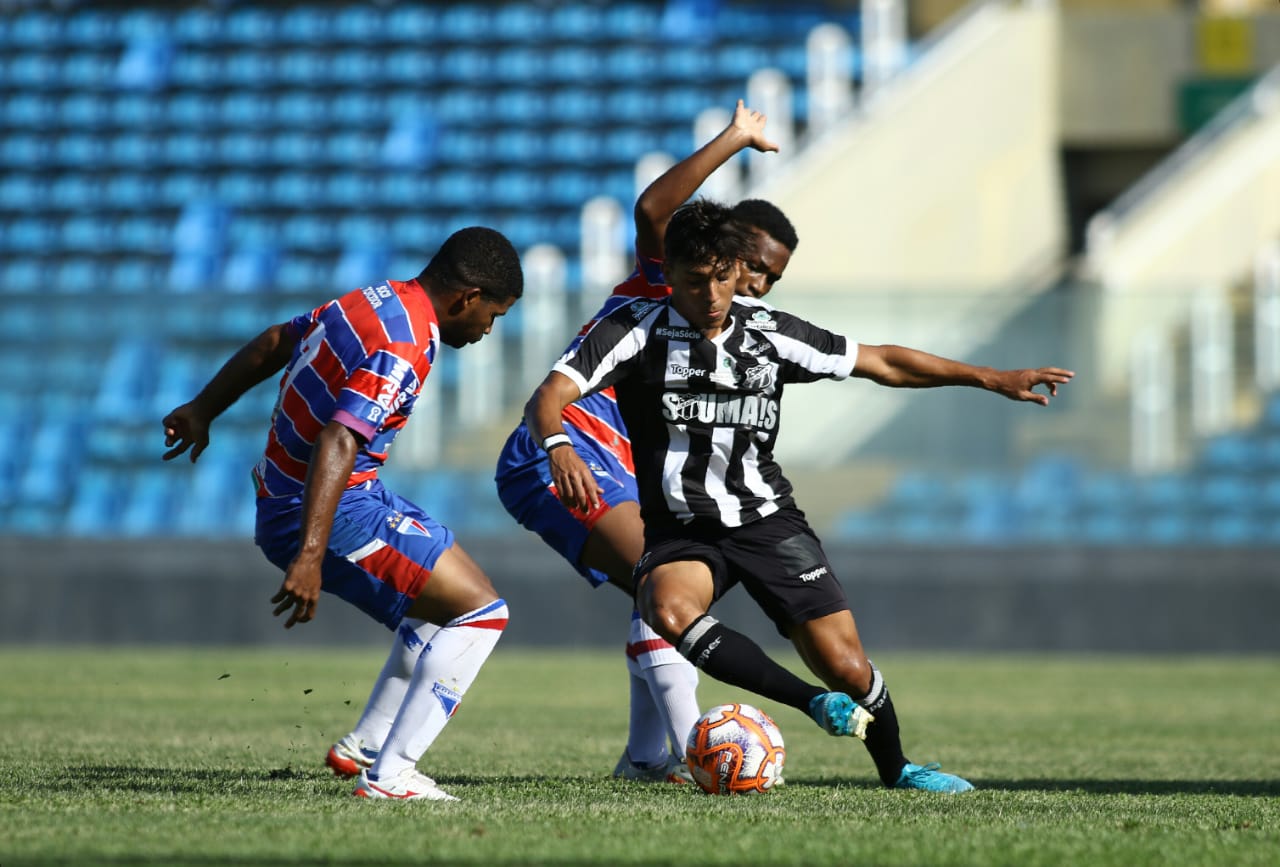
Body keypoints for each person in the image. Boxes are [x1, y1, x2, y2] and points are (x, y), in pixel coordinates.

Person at [523, 200, 1075, 794]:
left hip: (767, 522)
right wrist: (558, 445)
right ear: (671, 275)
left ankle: (898, 769)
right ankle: (811, 703)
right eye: (693, 282)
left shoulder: (770, 333)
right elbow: (548, 396)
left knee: (847, 666)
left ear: (738, 268)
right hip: (682, 528)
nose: (710, 295)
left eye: (722, 278)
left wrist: (992, 378)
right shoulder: (635, 328)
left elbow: (883, 362)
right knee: (667, 608)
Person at [162, 227, 524, 801]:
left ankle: (368, 746)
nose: (488, 330)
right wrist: (311, 555)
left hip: (339, 494)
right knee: (482, 614)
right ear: (467, 298)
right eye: (493, 315)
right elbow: (337, 438)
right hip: (321, 507)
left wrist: (203, 407)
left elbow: (278, 339)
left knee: (448, 607)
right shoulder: (406, 343)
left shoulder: (374, 299)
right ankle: (393, 776)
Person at [494, 101, 795, 783]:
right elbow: (655, 210)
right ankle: (699, 752)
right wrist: (737, 138)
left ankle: (646, 758)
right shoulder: (673, 282)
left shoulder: (729, 324)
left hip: (620, 466)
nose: (757, 284)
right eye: (753, 266)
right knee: (666, 591)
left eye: (771, 278)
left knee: (658, 597)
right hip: (564, 445)